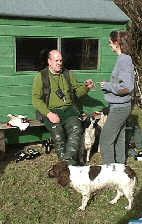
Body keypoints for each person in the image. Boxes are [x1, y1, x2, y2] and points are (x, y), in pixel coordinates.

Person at [32, 49, 94, 165]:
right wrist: (49, 114)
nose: (59, 63)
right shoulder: (41, 76)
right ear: (49, 61)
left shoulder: (67, 74)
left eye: (61, 60)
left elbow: (77, 93)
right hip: (51, 111)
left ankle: (67, 163)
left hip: (68, 109)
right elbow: (36, 99)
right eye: (56, 60)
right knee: (58, 133)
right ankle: (67, 164)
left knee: (76, 128)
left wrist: (86, 87)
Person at [99, 30, 134, 164]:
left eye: (110, 42)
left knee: (105, 139)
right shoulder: (124, 58)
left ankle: (110, 172)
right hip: (121, 106)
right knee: (119, 138)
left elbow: (127, 87)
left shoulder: (124, 60)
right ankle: (120, 168)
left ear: (117, 43)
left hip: (120, 108)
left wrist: (108, 86)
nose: (109, 45)